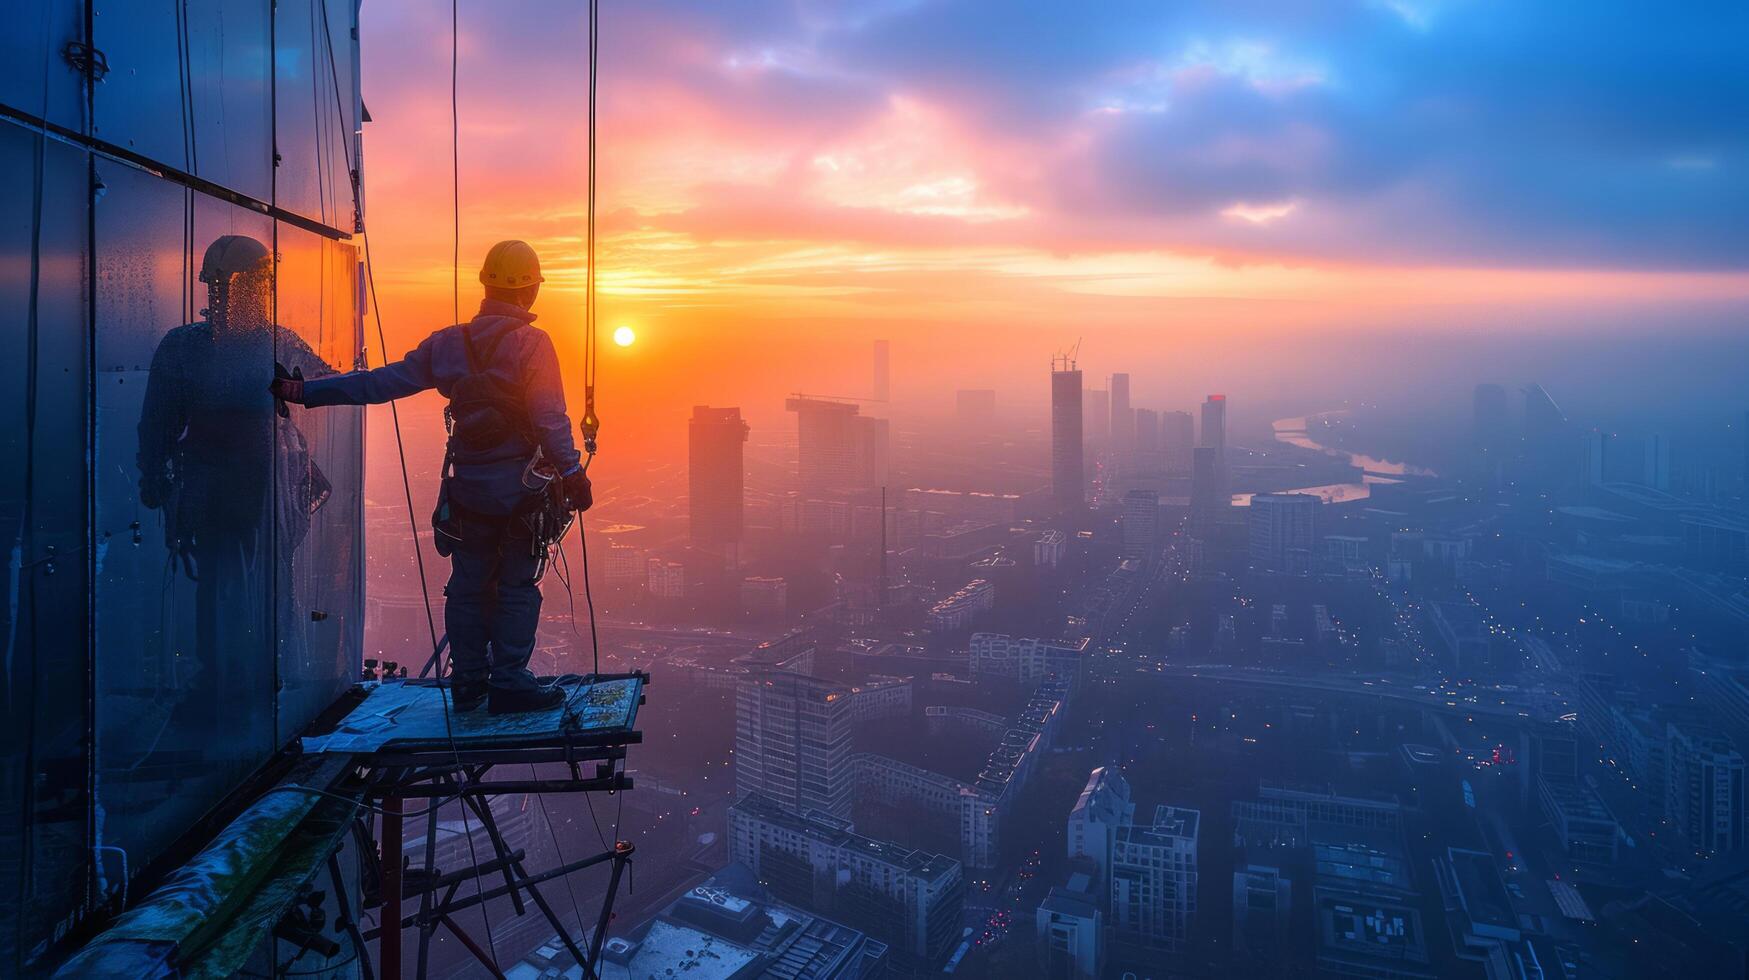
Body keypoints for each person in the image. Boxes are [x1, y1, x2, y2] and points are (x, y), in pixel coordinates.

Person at [271, 240, 592, 714]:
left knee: (467, 585)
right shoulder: (531, 343)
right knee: (517, 585)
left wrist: (304, 392)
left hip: (469, 492)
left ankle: (467, 681)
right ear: (530, 292)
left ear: (485, 285)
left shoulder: (448, 344)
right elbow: (550, 415)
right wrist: (570, 471)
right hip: (521, 493)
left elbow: (379, 384)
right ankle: (507, 681)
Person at [138, 235, 334, 726]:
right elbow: (329, 385)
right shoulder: (273, 344)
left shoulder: (188, 346)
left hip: (229, 483)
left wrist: (153, 474)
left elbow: (157, 423)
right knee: (256, 584)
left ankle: (228, 683)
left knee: (227, 585)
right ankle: (251, 682)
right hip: (249, 484)